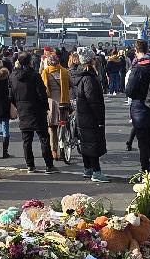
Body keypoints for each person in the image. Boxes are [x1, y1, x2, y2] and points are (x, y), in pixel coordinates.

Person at [10, 52, 55, 174]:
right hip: (37, 109)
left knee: (27, 140)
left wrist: (18, 105)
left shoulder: (13, 76)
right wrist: (45, 107)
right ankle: (49, 165)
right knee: (44, 138)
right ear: (30, 62)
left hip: (22, 109)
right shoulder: (35, 76)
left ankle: (30, 165)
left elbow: (11, 95)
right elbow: (41, 94)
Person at [124, 39, 150, 175]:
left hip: (139, 108)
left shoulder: (137, 68)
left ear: (136, 51)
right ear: (147, 50)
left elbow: (129, 91)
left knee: (143, 144)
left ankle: (145, 172)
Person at [71, 49, 108, 182]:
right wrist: (99, 118)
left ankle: (88, 169)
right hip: (90, 115)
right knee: (93, 143)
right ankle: (96, 172)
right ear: (90, 60)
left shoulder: (79, 76)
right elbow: (93, 100)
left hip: (82, 114)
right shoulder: (89, 78)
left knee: (85, 142)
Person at [42, 49, 73, 163]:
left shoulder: (45, 73)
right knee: (65, 123)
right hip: (63, 102)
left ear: (49, 62)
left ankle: (54, 151)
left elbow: (42, 89)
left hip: (51, 103)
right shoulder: (64, 72)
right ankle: (65, 144)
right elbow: (71, 85)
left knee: (52, 128)